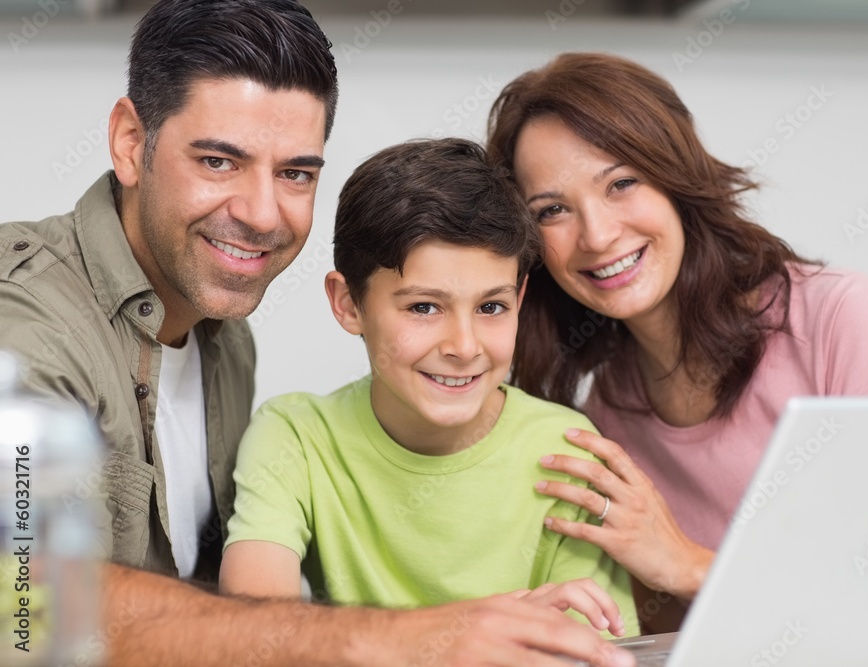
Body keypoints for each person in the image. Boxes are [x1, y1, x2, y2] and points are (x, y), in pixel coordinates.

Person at [0, 3, 636, 663]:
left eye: (296, 173)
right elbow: (22, 608)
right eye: (219, 161)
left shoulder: (223, 335)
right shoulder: (25, 326)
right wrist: (413, 638)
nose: (261, 214)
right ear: (132, 142)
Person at [485, 51, 868, 640]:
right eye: (552, 211)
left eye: (622, 183)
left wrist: (687, 564)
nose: (598, 235)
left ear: (677, 180)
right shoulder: (610, 410)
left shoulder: (838, 319)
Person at [219, 138, 638, 639]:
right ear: (349, 304)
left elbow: (599, 650)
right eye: (423, 307)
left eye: (491, 307)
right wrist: (461, 634)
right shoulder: (296, 438)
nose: (464, 346)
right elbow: (253, 637)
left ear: (520, 297)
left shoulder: (569, 452)